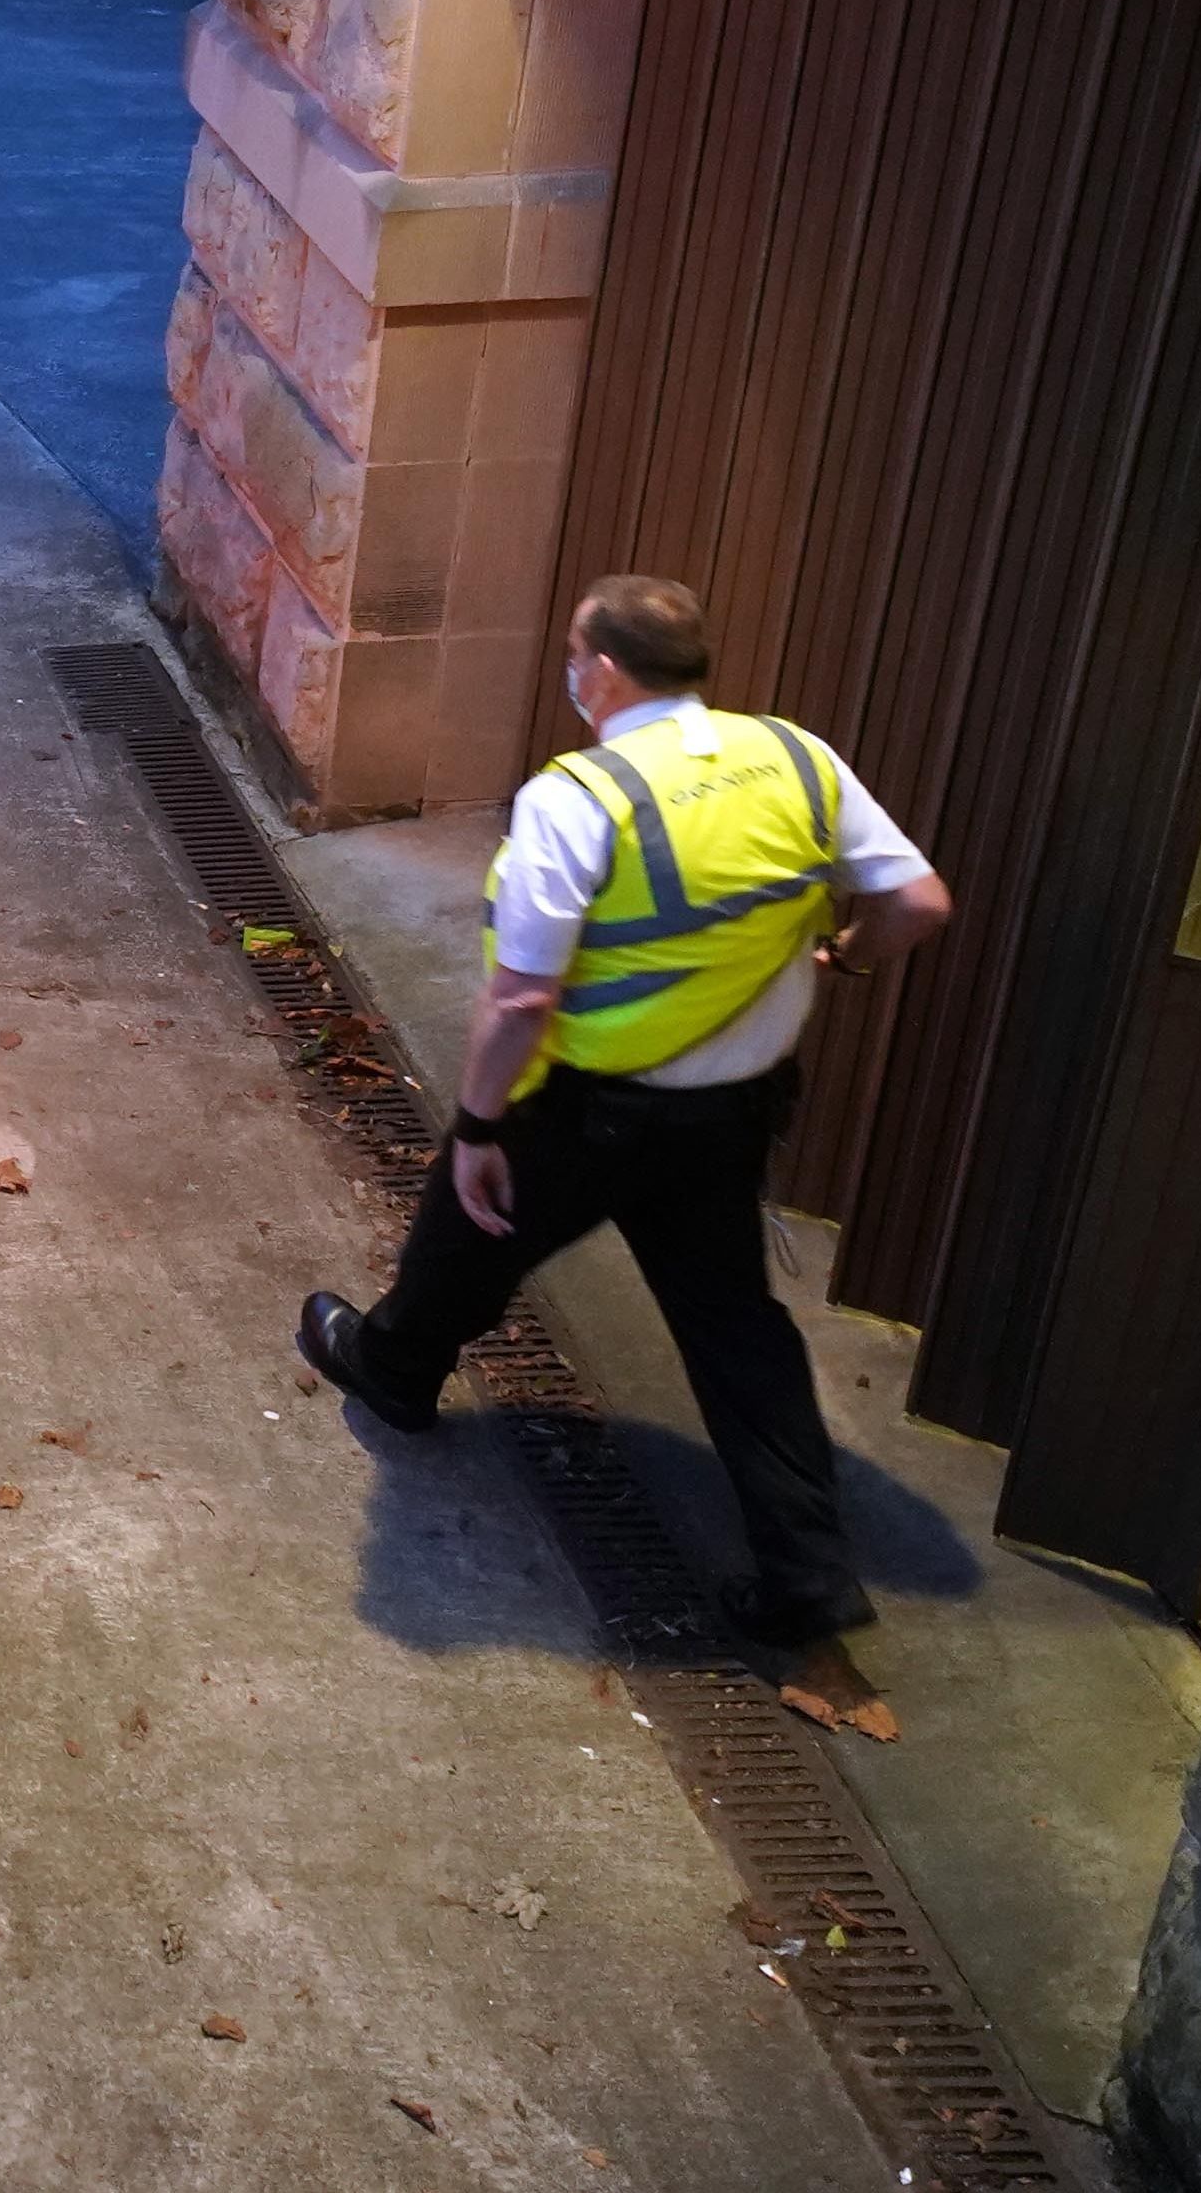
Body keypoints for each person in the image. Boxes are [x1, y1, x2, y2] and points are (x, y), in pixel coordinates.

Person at [295, 574, 953, 1657]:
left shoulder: (577, 798)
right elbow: (917, 902)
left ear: (599, 669)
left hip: (592, 1109)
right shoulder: (794, 757)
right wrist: (844, 954)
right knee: (735, 1325)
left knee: (470, 1226)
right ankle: (807, 1575)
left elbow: (519, 996)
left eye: (570, 654)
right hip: (732, 1109)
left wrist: (475, 1127)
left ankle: (394, 1370)